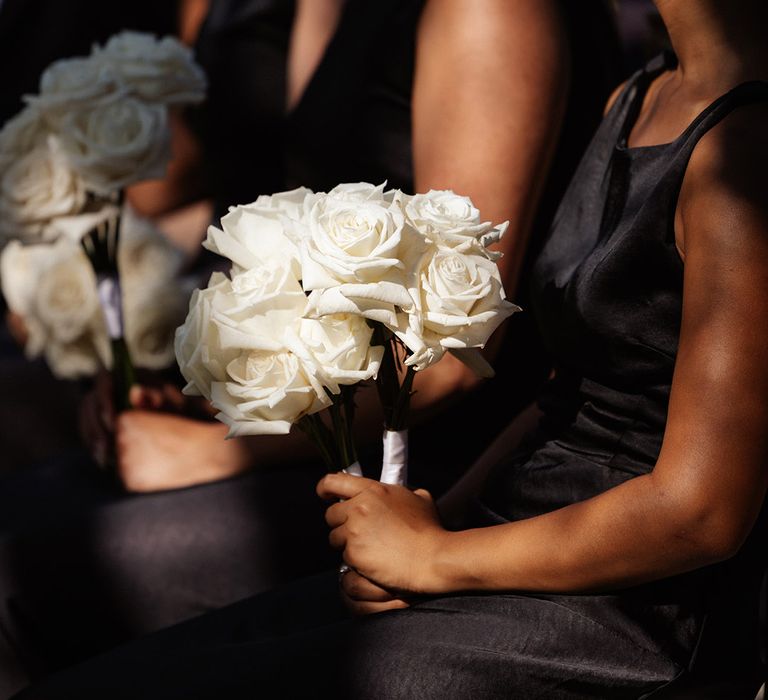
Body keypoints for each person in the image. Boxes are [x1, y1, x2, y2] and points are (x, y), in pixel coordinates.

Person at [9, 0, 768, 697]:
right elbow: (561, 389)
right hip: (498, 530)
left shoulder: (746, 146)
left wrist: (440, 559)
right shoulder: (638, 97)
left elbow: (701, 511)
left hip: (627, 612)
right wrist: (422, 529)